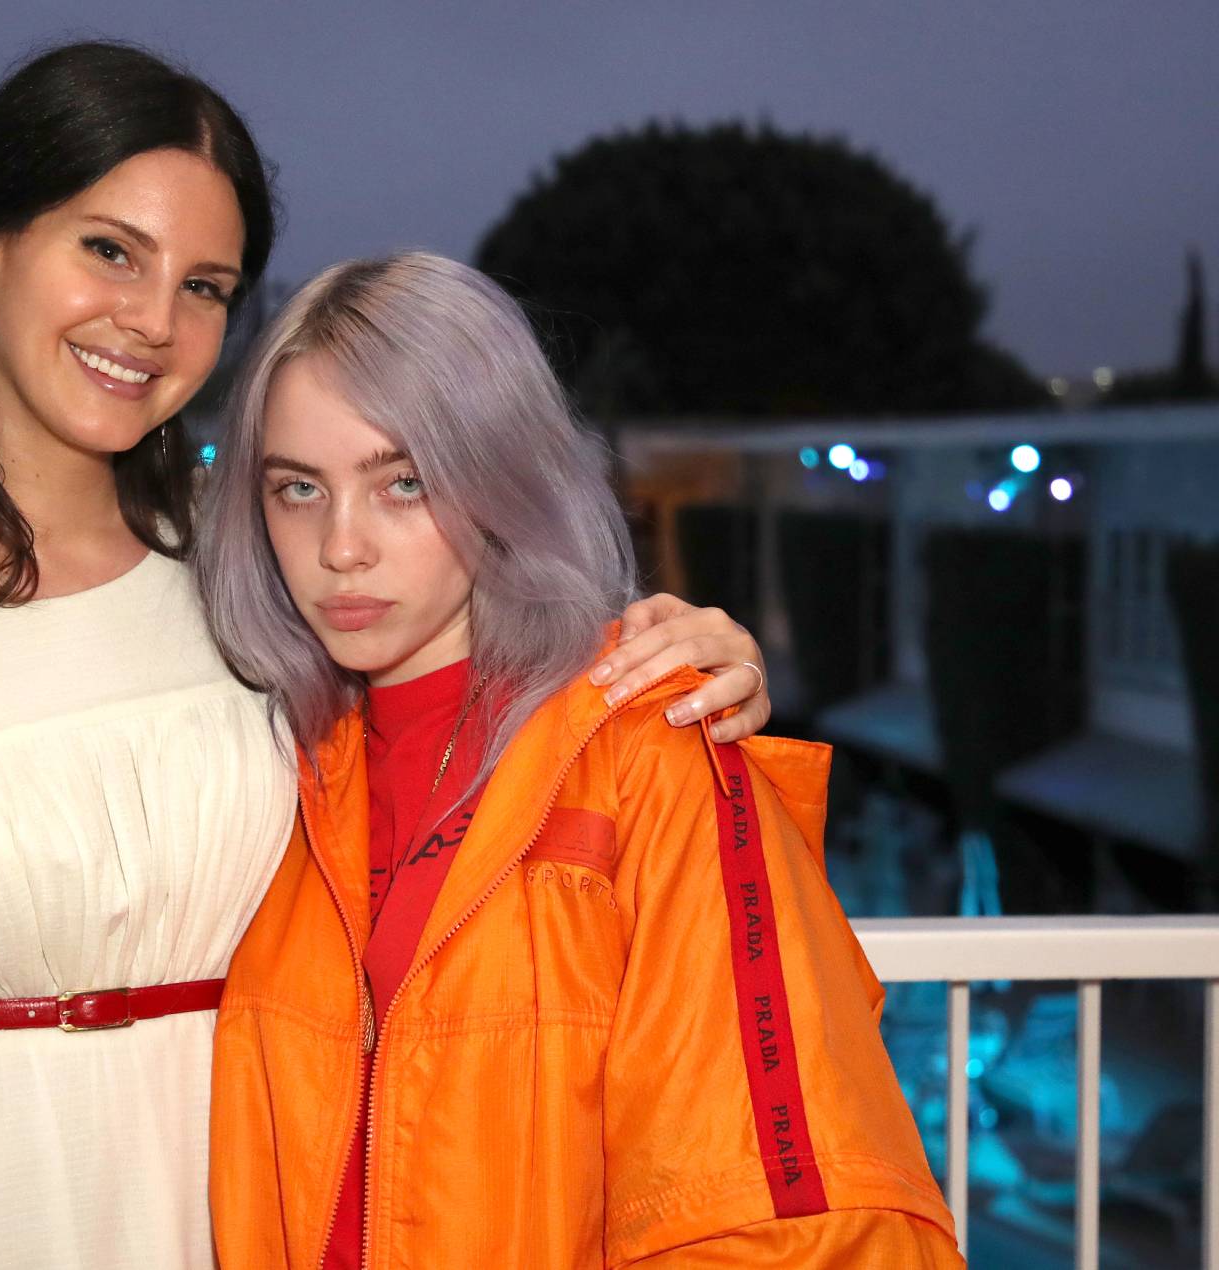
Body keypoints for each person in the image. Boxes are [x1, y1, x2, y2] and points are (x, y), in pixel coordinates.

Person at [0, 44, 772, 1269]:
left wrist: (672, 645)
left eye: (205, 285)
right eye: (109, 249)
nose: (151, 320)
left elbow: (472, 688)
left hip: (207, 1219)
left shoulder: (264, 581)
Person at [198, 252, 960, 1267]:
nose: (341, 546)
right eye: (298, 488)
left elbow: (781, 1221)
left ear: (497, 478)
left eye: (403, 483)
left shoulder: (648, 750)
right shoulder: (262, 767)